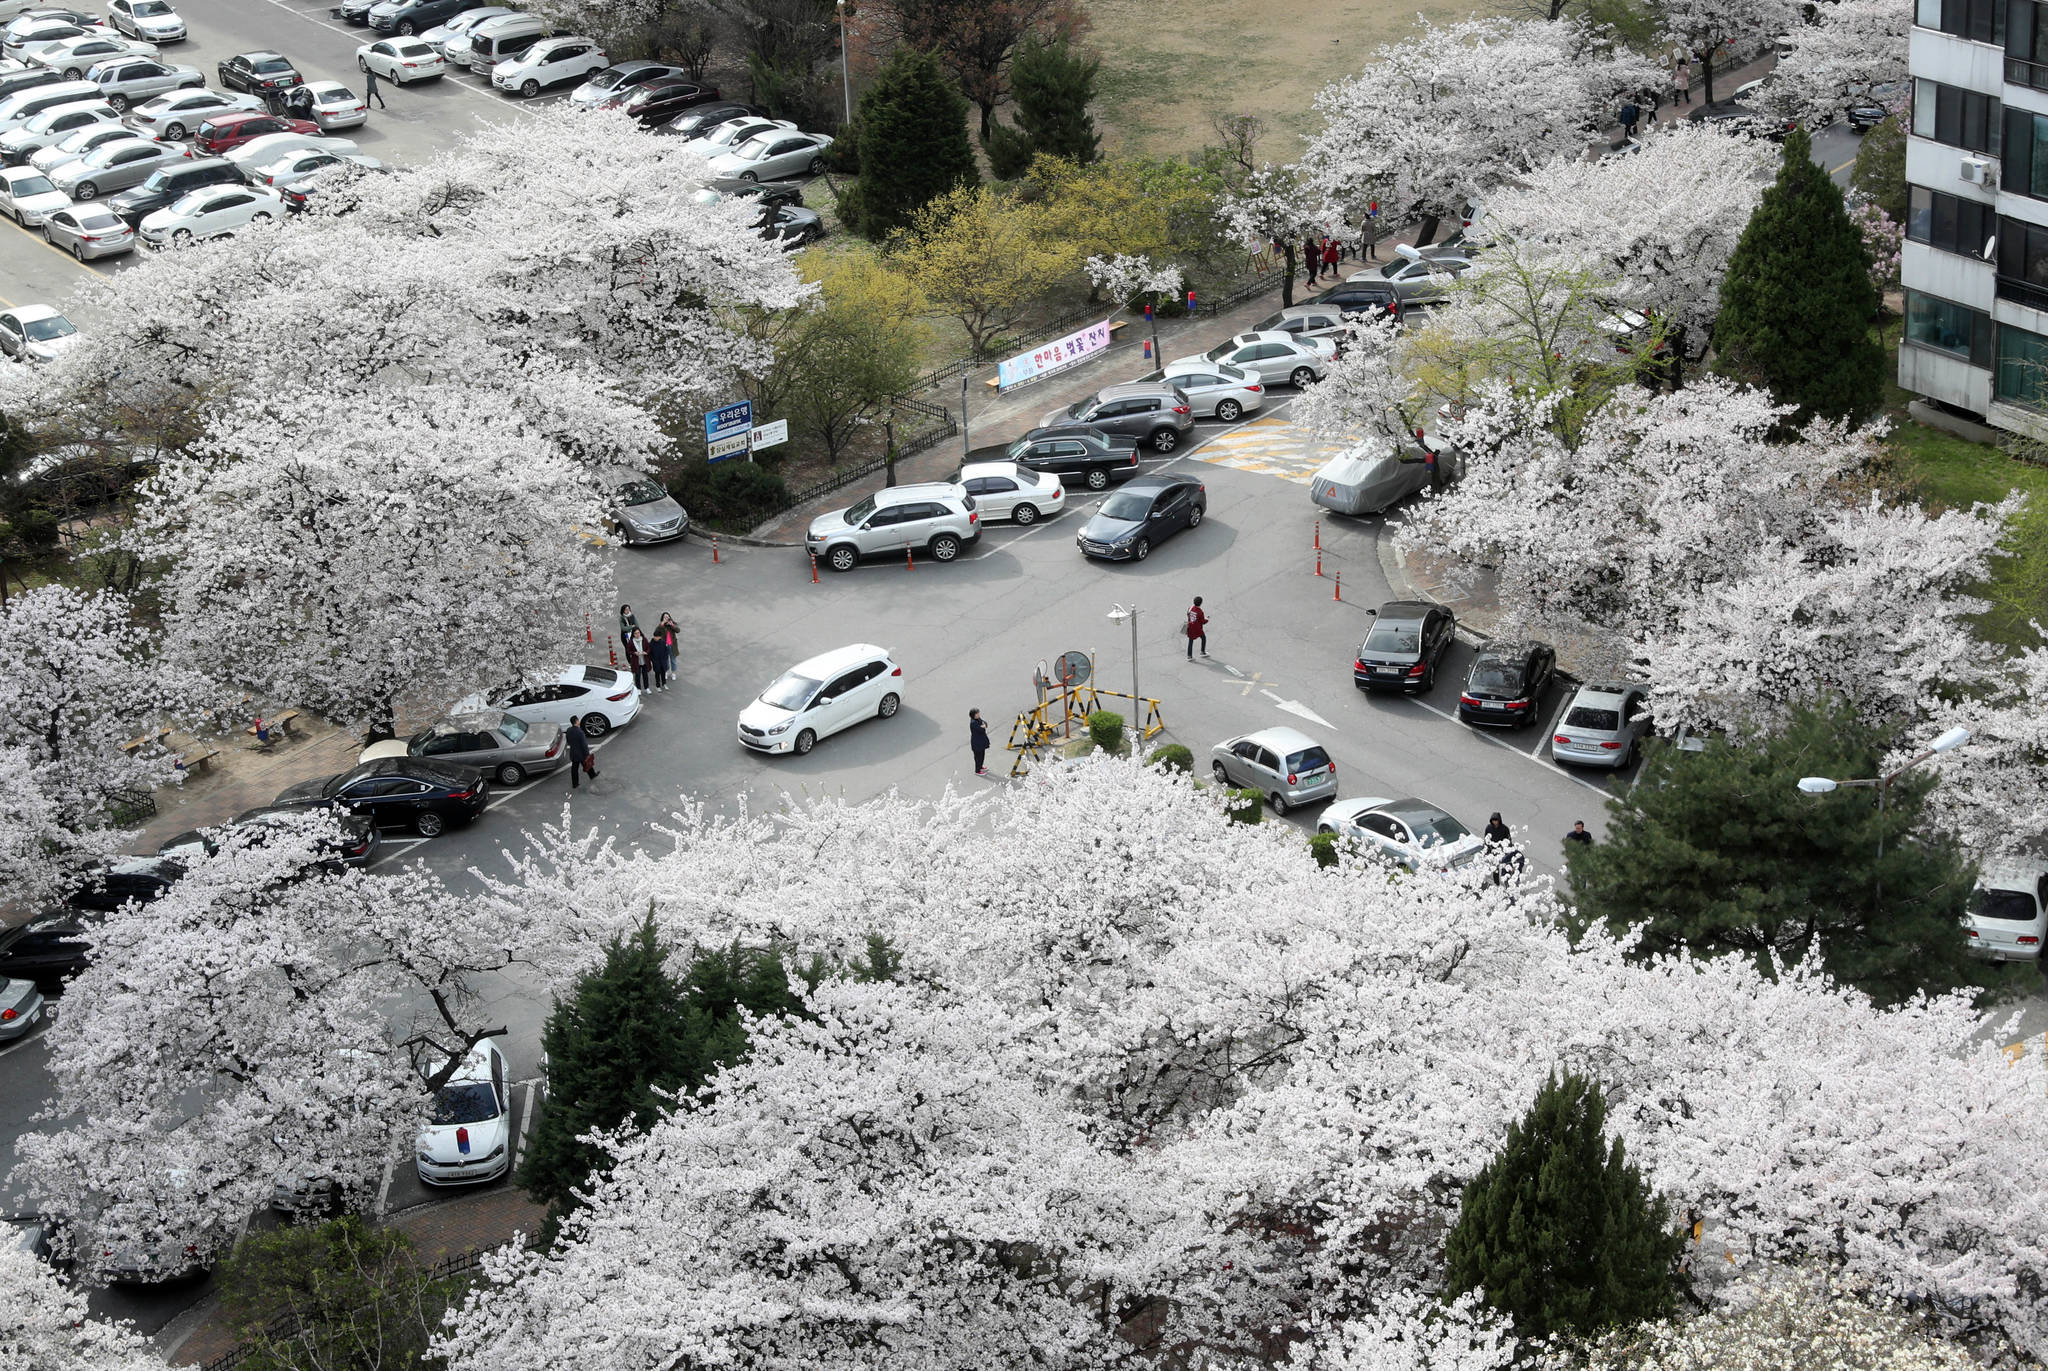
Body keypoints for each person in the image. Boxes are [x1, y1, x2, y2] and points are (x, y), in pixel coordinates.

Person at [565, 716, 596, 790]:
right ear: (576, 721)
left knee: (574, 769)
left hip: (573, 753)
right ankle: (592, 775)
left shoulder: (569, 730)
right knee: (587, 763)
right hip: (581, 753)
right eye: (578, 720)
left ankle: (575, 783)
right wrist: (587, 754)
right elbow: (584, 745)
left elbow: (568, 740)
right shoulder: (580, 732)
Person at [648, 622, 673, 691]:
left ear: (660, 637)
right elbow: (650, 654)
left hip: (663, 661)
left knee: (663, 673)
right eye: (654, 636)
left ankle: (664, 683)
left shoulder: (663, 642)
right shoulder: (651, 644)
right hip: (656, 662)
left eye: (657, 636)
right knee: (657, 674)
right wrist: (653, 660)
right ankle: (657, 685)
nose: (655, 638)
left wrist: (665, 658)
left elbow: (666, 651)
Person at [969, 708, 990, 776]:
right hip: (977, 743)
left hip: (981, 741)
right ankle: (977, 771)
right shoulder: (973, 723)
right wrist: (983, 726)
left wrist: (984, 725)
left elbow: (985, 723)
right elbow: (981, 730)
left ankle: (980, 767)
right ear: (973, 715)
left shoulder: (978, 719)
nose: (979, 714)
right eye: (977, 713)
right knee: (978, 757)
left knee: (982, 755)